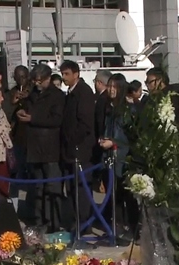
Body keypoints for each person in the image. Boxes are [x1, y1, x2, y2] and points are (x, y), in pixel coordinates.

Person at [16, 64, 66, 232]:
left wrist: (33, 118)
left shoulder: (57, 96)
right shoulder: (32, 95)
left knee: (52, 187)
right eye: (35, 81)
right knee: (38, 188)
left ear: (48, 79)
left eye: (40, 81)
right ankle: (39, 221)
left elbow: (56, 120)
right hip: (35, 147)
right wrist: (22, 112)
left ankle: (53, 222)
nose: (37, 84)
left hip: (50, 148)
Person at [98, 73, 138, 242]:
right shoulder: (109, 107)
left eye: (115, 87)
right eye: (110, 86)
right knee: (112, 196)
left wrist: (113, 142)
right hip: (109, 158)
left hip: (122, 159)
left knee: (125, 196)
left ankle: (131, 229)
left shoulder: (128, 109)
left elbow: (131, 137)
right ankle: (115, 226)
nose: (111, 90)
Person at [59, 60, 96, 232]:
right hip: (69, 149)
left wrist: (73, 141)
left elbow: (85, 123)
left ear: (76, 74)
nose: (64, 77)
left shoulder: (84, 93)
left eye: (67, 74)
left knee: (81, 190)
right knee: (72, 188)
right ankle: (76, 221)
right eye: (62, 74)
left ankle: (83, 223)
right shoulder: (70, 93)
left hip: (80, 149)